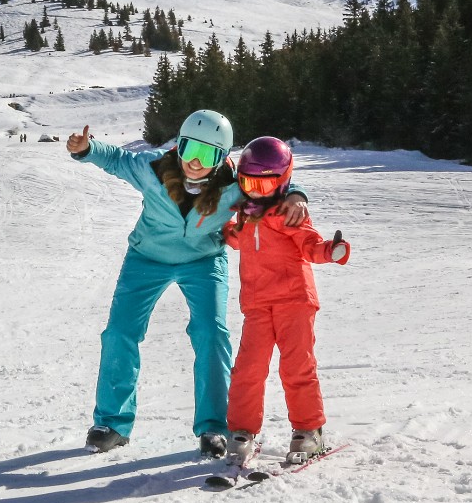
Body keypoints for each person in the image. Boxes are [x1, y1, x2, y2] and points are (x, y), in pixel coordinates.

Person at [65, 111, 310, 457]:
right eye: (188, 148)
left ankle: (214, 426)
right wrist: (86, 147)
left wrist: (296, 194)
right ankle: (112, 424)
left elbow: (272, 183)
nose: (194, 162)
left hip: (204, 261)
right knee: (119, 333)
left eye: (207, 154)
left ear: (222, 156)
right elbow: (117, 159)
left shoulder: (234, 185)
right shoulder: (152, 169)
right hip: (146, 259)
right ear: (177, 145)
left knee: (211, 333)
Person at [221, 136, 350, 466]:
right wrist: (219, 230)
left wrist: (330, 251)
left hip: (294, 300)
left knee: (296, 367)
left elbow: (310, 245)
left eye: (266, 186)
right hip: (257, 304)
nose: (256, 192)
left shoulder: (289, 213)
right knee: (248, 370)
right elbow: (236, 240)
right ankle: (241, 432)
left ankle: (310, 430)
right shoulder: (245, 215)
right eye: (249, 184)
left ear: (282, 182)